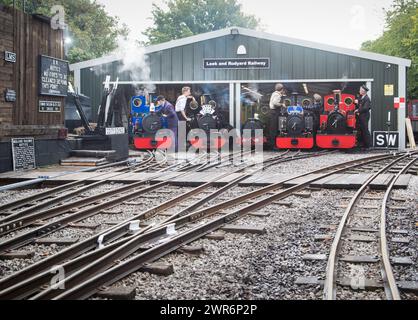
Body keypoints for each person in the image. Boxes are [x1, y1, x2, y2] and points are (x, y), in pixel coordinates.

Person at [268, 83, 286, 148]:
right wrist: (282, 105)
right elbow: (275, 103)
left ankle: (273, 144)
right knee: (274, 129)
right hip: (274, 112)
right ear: (281, 89)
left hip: (273, 112)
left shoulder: (274, 93)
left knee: (273, 128)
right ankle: (273, 145)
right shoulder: (277, 95)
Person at [355, 85, 372, 150]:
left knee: (365, 130)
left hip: (364, 116)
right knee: (361, 130)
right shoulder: (362, 97)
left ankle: (369, 145)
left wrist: (358, 110)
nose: (359, 91)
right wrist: (356, 102)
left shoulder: (367, 99)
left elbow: (365, 108)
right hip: (361, 116)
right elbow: (360, 104)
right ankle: (363, 145)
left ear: (363, 91)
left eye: (360, 90)